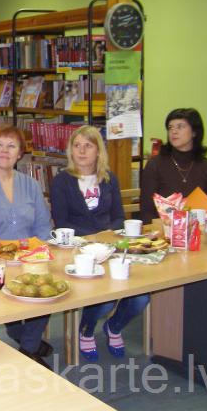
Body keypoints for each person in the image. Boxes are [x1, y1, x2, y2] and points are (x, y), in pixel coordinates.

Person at [50, 125, 147, 361]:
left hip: (110, 247)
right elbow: (62, 222)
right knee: (105, 298)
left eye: (88, 145)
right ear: (71, 151)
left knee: (141, 297)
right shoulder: (62, 181)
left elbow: (119, 217)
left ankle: (114, 327)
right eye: (77, 145)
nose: (82, 151)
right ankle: (86, 330)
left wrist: (106, 237)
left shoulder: (109, 179)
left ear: (98, 151)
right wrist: (95, 237)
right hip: (78, 251)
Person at [0, 125, 52, 368]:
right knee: (7, 299)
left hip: (29, 259)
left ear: (20, 153)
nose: (5, 150)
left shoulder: (31, 185)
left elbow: (43, 226)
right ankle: (28, 342)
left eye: (11, 145)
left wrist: (40, 255)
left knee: (45, 290)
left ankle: (28, 349)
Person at [141, 108, 207, 224]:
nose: (174, 131)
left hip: (198, 231)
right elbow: (146, 211)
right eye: (170, 127)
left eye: (180, 126)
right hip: (163, 232)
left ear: (194, 132)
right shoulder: (155, 164)